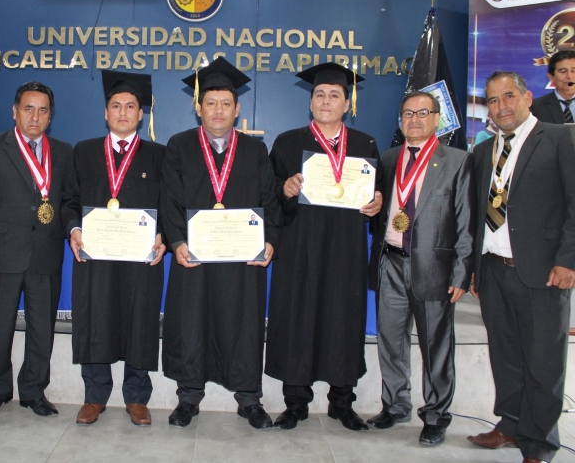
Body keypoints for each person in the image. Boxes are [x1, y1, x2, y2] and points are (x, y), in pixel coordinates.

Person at [160, 57, 280, 430]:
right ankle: (188, 397)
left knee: (243, 325)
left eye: (226, 103)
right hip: (194, 259)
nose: (218, 110)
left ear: (237, 108)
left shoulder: (255, 150)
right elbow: (170, 200)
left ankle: (249, 399)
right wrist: (177, 241)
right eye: (210, 102)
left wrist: (269, 242)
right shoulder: (179, 146)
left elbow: (270, 201)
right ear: (198, 108)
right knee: (191, 324)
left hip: (241, 262)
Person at [266, 62, 382, 431]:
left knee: (342, 321)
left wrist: (375, 205)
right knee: (297, 320)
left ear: (347, 103)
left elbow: (377, 201)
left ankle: (341, 402)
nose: (326, 100)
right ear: (311, 102)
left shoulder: (365, 144)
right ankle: (296, 403)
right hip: (300, 250)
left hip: (345, 251)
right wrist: (283, 191)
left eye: (334, 94)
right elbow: (269, 199)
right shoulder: (287, 142)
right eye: (319, 94)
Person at [467, 71, 575, 463]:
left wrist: (568, 261)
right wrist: (476, 269)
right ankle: (510, 425)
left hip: (544, 272)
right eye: (493, 101)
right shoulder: (483, 151)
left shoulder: (562, 138)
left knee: (544, 363)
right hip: (494, 271)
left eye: (509, 97)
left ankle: (539, 443)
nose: (501, 107)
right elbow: (479, 214)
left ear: (528, 97)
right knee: (506, 356)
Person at [367, 91, 476, 445]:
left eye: (423, 113)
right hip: (391, 263)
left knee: (435, 347)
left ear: (436, 118)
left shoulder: (456, 161)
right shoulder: (388, 157)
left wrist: (461, 273)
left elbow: (466, 222)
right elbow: (382, 207)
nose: (414, 119)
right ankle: (395, 405)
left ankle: (435, 415)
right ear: (400, 120)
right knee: (390, 341)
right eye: (407, 113)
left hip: (434, 269)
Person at [62, 70, 166, 426]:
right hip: (96, 258)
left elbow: (170, 205)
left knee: (139, 320)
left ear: (141, 114)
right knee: (95, 318)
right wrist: (74, 229)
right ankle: (95, 396)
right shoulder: (85, 151)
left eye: (131, 106)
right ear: (105, 113)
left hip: (140, 259)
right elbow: (70, 200)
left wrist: (162, 235)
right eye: (115, 106)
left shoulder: (158, 156)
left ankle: (136, 397)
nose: (123, 112)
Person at [0, 82, 72, 418]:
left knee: (42, 329)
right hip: (0, 253)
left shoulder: (63, 151)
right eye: (28, 108)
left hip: (45, 253)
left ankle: (33, 391)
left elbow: (68, 202)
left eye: (43, 110)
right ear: (15, 111)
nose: (35, 116)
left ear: (50, 116)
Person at [530, 50, 575, 124]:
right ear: (551, 77)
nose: (569, 77)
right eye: (563, 71)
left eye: (574, 71)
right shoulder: (535, 107)